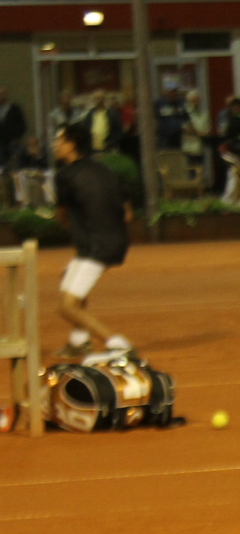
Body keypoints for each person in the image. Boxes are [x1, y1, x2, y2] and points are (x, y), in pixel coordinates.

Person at [50, 121, 135, 360]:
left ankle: (118, 344)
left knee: (67, 307)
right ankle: (79, 341)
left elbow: (61, 215)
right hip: (111, 241)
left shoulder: (65, 176)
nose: (55, 145)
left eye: (59, 140)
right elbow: (128, 213)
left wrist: (75, 225)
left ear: (71, 145)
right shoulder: (107, 170)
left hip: (97, 247)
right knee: (67, 275)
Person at [83, 90, 123, 156]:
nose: (98, 101)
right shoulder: (90, 114)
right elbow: (85, 130)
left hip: (107, 149)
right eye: (96, 98)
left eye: (100, 98)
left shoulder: (111, 114)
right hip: (92, 150)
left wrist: (111, 142)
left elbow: (118, 131)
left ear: (104, 100)